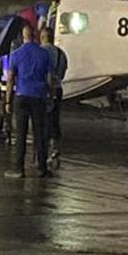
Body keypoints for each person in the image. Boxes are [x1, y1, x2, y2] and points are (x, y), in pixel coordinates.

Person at [5, 25, 53, 178]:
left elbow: (11, 79)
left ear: (23, 36)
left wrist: (7, 101)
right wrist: (50, 97)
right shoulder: (44, 54)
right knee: (40, 133)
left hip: (21, 95)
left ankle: (19, 169)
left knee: (21, 133)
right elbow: (50, 79)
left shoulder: (16, 54)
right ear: (35, 35)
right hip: (38, 96)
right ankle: (41, 168)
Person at [41, 27, 69, 160]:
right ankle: (56, 147)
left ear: (42, 37)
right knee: (55, 119)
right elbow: (63, 73)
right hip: (58, 89)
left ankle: (42, 148)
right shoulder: (61, 53)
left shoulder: (40, 52)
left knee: (42, 120)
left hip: (42, 90)